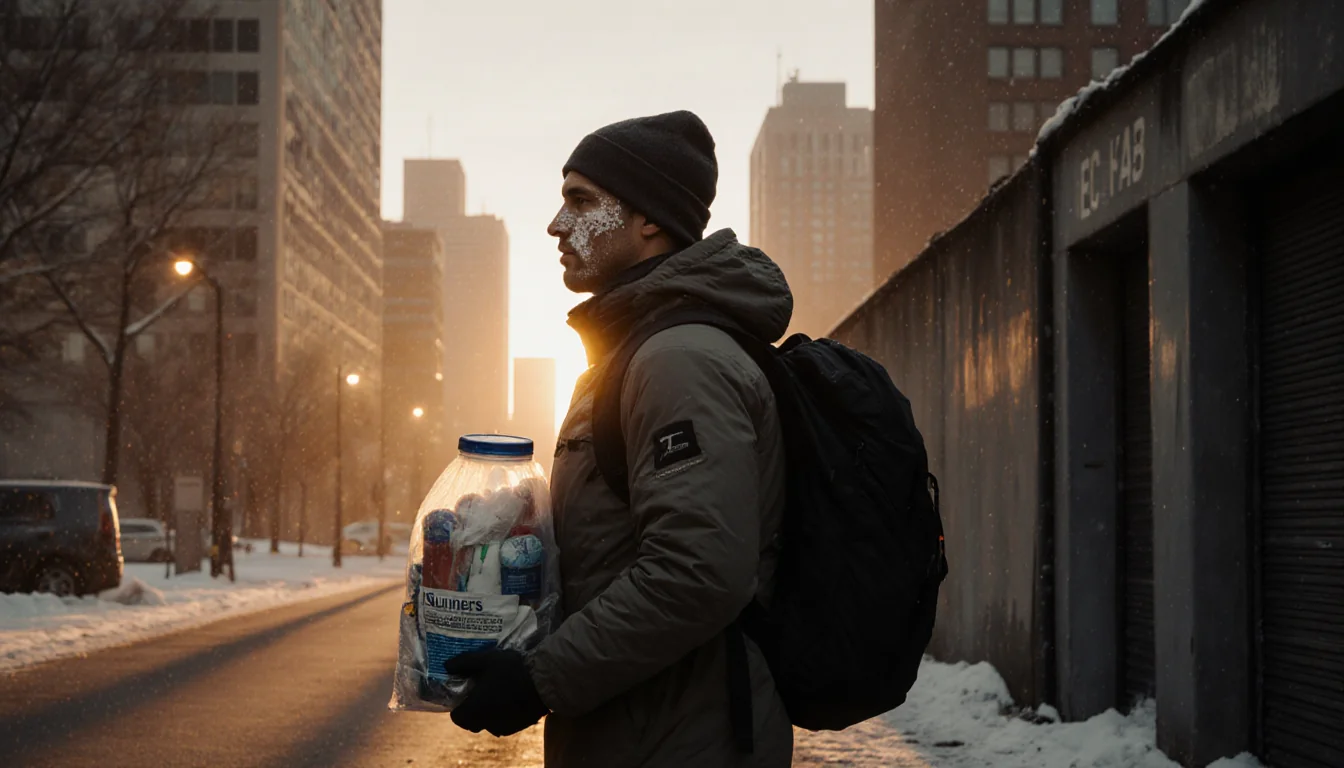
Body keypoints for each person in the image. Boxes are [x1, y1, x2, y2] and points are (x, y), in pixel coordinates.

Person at [443, 110, 794, 767]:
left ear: (650, 219)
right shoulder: (633, 355)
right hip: (637, 727)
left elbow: (699, 572)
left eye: (581, 201)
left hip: (679, 738)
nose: (556, 224)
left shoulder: (677, 360)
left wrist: (541, 679)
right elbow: (620, 546)